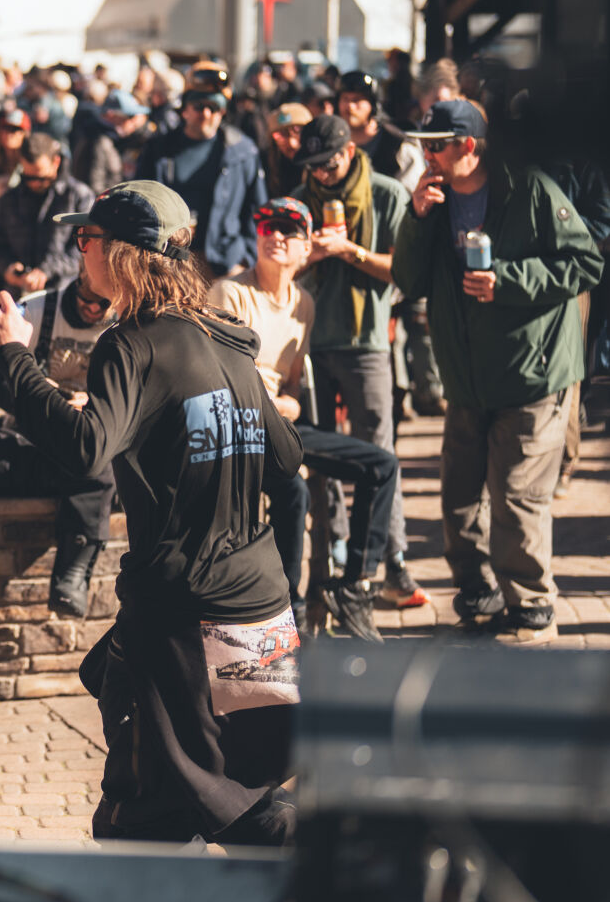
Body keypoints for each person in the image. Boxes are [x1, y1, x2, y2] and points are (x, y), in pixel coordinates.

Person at [0, 180, 302, 846]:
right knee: (234, 785)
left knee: (167, 810)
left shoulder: (132, 343)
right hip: (258, 605)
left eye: (86, 237)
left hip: (184, 615)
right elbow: (286, 457)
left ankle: (342, 875)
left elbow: (87, 450)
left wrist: (12, 358)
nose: (79, 250)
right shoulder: (227, 338)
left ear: (121, 252)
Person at [394, 100, 604, 645]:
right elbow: (407, 280)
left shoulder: (529, 189)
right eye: (423, 146)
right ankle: (476, 591)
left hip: (532, 373)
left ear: (469, 146)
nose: (427, 156)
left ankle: (532, 606)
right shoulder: (434, 201)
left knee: (515, 496)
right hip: (467, 378)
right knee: (459, 496)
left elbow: (585, 263)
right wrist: (417, 218)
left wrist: (507, 281)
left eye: (437, 146)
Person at [209, 199, 399, 642]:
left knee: (382, 465)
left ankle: (355, 585)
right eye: (267, 227)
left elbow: (292, 384)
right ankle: (288, 605)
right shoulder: (229, 293)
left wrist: (290, 403)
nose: (275, 235)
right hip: (238, 427)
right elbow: (223, 378)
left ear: (306, 248)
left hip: (280, 424)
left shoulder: (304, 304)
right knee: (293, 489)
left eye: (288, 230)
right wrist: (280, 406)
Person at [288, 115, 422, 608]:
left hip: (366, 341)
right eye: (312, 166)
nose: (320, 174)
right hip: (310, 339)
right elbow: (279, 270)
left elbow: (404, 271)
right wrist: (310, 256)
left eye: (327, 164)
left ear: (348, 153)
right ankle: (336, 549)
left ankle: (393, 559)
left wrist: (349, 252)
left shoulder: (387, 194)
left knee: (379, 452)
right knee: (320, 452)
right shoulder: (299, 200)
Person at [0, 269, 118, 616]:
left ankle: (73, 572)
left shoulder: (122, 324)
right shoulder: (36, 311)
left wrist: (89, 405)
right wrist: (51, 397)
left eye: (102, 305)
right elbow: (1, 389)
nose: (92, 310)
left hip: (87, 445)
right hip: (29, 437)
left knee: (98, 468)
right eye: (85, 301)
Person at [135, 63, 268, 280]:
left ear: (222, 111)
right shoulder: (159, 149)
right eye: (198, 106)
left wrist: (245, 259)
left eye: (214, 107)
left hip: (224, 264)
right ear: (185, 109)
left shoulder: (242, 151)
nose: (206, 114)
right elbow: (140, 202)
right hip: (170, 262)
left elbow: (257, 211)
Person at [0, 133, 92, 307]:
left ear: (56, 162)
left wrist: (47, 271)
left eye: (41, 178)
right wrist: (8, 268)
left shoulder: (79, 196)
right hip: (19, 297)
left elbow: (86, 250)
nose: (34, 183)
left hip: (65, 296)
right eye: (29, 178)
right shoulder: (10, 198)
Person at [261, 103, 310, 199]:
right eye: (281, 135)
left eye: (297, 131)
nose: (292, 143)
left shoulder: (320, 167)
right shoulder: (265, 165)